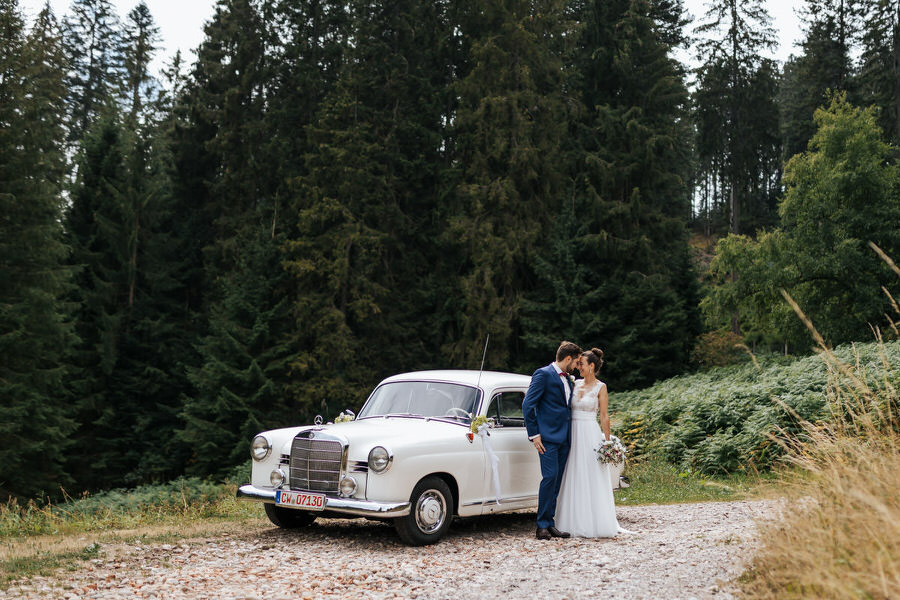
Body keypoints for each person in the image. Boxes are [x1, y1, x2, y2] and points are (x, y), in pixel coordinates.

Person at [555, 348, 630, 537]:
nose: (578, 366)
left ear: (592, 366)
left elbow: (604, 416)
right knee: (573, 473)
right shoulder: (574, 383)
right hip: (572, 432)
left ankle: (595, 521)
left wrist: (607, 442)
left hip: (589, 433)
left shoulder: (600, 387)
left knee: (591, 474)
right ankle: (571, 521)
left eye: (581, 363)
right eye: (577, 363)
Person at [522, 341, 582, 540]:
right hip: (547, 437)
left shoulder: (567, 379)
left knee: (556, 481)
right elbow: (528, 405)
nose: (576, 367)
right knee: (549, 478)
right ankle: (541, 526)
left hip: (565, 437)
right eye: (575, 362)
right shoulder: (543, 374)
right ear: (567, 359)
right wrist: (534, 434)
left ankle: (550, 523)